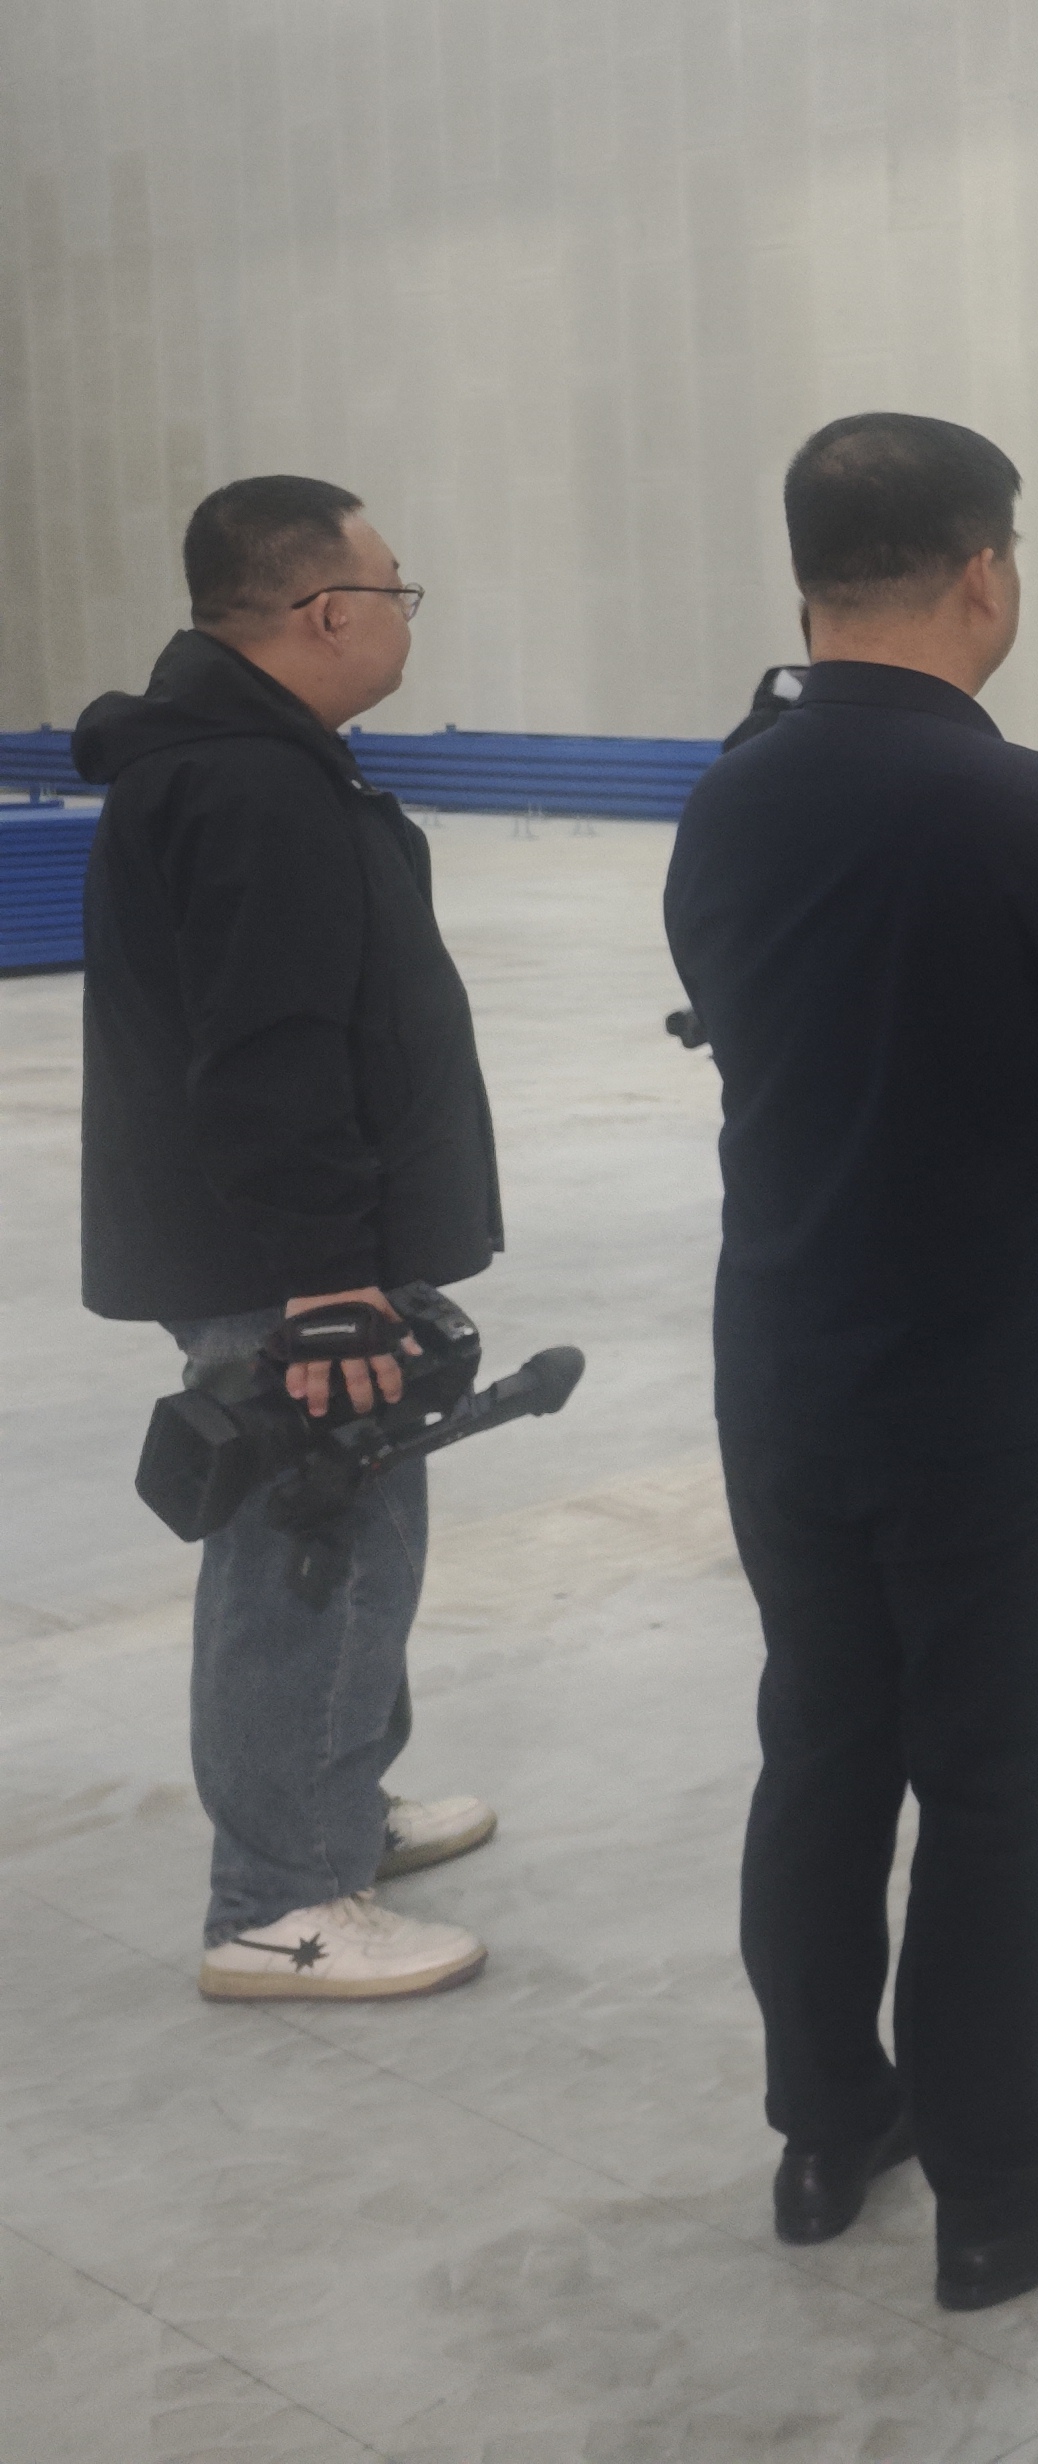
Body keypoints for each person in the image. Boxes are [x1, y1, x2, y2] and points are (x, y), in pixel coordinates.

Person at [666, 413, 1038, 2305]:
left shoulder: (731, 798)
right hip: (995, 1383)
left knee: (823, 1741)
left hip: (786, 1353)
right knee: (997, 1780)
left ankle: (832, 2122)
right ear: (985, 572)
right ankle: (1007, 2184)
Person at [77, 477, 503, 2004]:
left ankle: (334, 1809)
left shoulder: (252, 765)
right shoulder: (251, 789)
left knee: (356, 1538)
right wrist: (327, 1279)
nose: (403, 616)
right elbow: (268, 1053)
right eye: (394, 589)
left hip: (289, 1244)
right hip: (284, 1264)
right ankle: (280, 1902)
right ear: (327, 612)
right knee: (306, 1550)